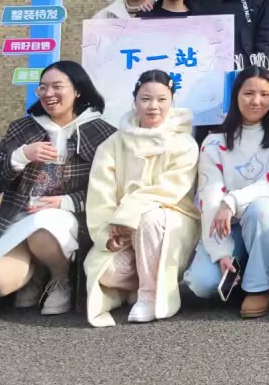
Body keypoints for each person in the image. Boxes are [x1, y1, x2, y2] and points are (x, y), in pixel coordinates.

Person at [0, 61, 115, 324]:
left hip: (68, 224)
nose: (49, 94)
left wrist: (66, 202)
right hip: (18, 221)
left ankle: (60, 278)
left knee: (43, 227)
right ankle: (38, 274)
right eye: (43, 87)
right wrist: (20, 156)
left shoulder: (103, 133)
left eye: (57, 86)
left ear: (77, 90)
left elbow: (113, 190)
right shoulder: (23, 128)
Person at [84, 70, 199, 326]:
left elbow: (170, 189)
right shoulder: (113, 144)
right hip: (122, 227)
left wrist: (127, 213)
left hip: (170, 220)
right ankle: (149, 279)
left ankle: (148, 294)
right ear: (134, 101)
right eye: (146, 99)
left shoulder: (183, 143)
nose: (153, 106)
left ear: (171, 101)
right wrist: (109, 230)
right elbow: (100, 195)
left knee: (150, 218)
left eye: (162, 99)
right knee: (107, 272)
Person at [184, 67, 269, 318]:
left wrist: (232, 201)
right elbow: (210, 194)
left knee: (262, 208)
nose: (256, 101)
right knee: (203, 284)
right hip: (226, 225)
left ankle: (259, 286)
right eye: (248, 93)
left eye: (265, 94)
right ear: (235, 96)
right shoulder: (214, 142)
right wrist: (221, 252)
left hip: (264, 222)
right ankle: (241, 266)